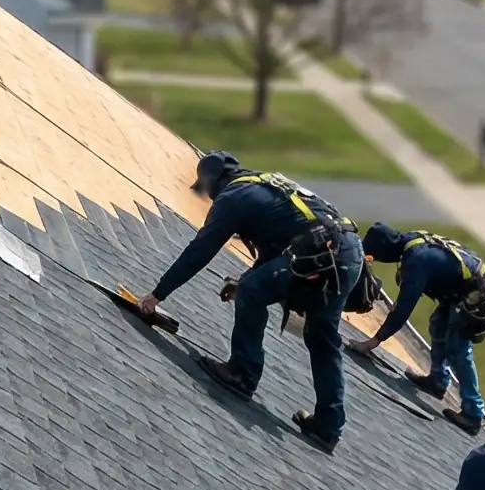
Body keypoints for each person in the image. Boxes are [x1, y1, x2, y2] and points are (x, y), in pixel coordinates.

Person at [138, 151, 361, 443]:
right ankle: (329, 425)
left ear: (213, 182)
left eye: (205, 190)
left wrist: (157, 294)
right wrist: (244, 281)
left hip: (321, 253)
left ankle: (242, 374)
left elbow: (201, 250)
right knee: (322, 338)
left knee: (254, 292)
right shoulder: (264, 185)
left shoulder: (233, 198)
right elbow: (281, 241)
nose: (207, 197)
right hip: (348, 254)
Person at [349, 223, 485, 434]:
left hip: (473, 293)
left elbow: (402, 309)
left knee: (459, 349)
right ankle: (437, 381)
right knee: (438, 326)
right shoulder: (410, 240)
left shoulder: (417, 260)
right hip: (458, 290)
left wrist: (372, 342)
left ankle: (473, 414)